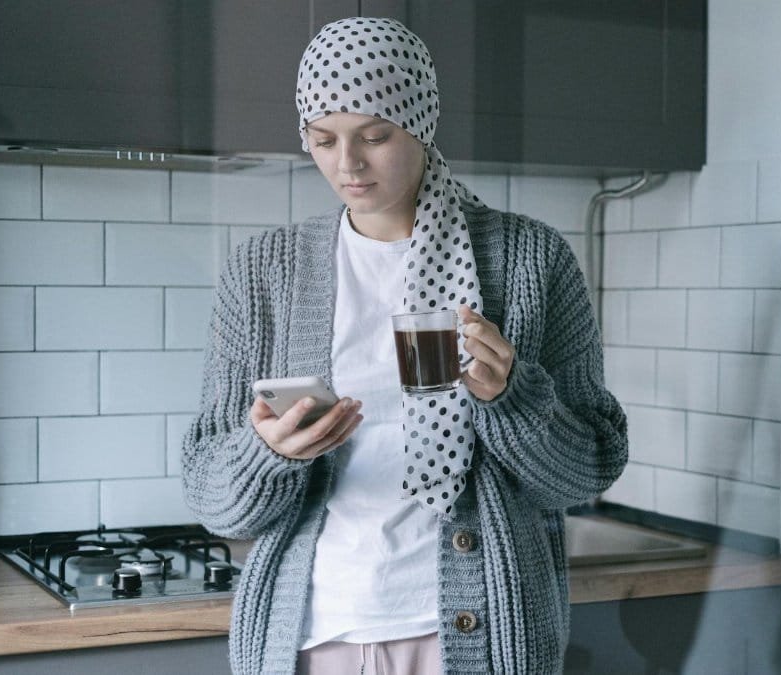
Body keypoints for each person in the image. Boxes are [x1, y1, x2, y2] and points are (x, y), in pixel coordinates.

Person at [180, 16, 627, 675]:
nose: (347, 163)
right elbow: (212, 495)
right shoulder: (264, 273)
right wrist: (267, 454)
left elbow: (589, 467)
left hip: (480, 637)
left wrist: (510, 399)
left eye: (374, 136)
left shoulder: (529, 259)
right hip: (311, 638)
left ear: (419, 123)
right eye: (323, 138)